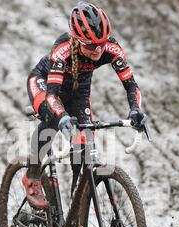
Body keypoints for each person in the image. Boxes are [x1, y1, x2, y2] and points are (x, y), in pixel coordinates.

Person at [23, 2, 148, 209]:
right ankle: (32, 176)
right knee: (51, 120)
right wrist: (61, 116)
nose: (98, 50)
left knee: (84, 142)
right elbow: (53, 96)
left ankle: (75, 211)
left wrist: (135, 109)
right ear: (78, 40)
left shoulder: (110, 48)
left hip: (78, 90)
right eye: (91, 46)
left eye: (101, 44)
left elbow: (131, 85)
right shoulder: (62, 50)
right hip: (45, 83)